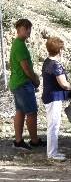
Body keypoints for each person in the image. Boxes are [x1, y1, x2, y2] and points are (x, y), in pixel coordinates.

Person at [8, 18, 42, 151]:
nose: (28, 31)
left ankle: (18, 141)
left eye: (29, 28)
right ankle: (34, 141)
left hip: (17, 83)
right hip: (22, 84)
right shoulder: (20, 45)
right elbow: (26, 68)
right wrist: (35, 80)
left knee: (20, 111)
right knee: (32, 112)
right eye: (26, 28)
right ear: (19, 30)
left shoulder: (17, 43)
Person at [40, 36, 71, 162]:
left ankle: (52, 151)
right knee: (54, 125)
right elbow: (63, 84)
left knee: (52, 124)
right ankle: (52, 153)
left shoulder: (47, 61)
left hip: (49, 96)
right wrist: (70, 86)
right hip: (54, 98)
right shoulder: (55, 65)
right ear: (60, 50)